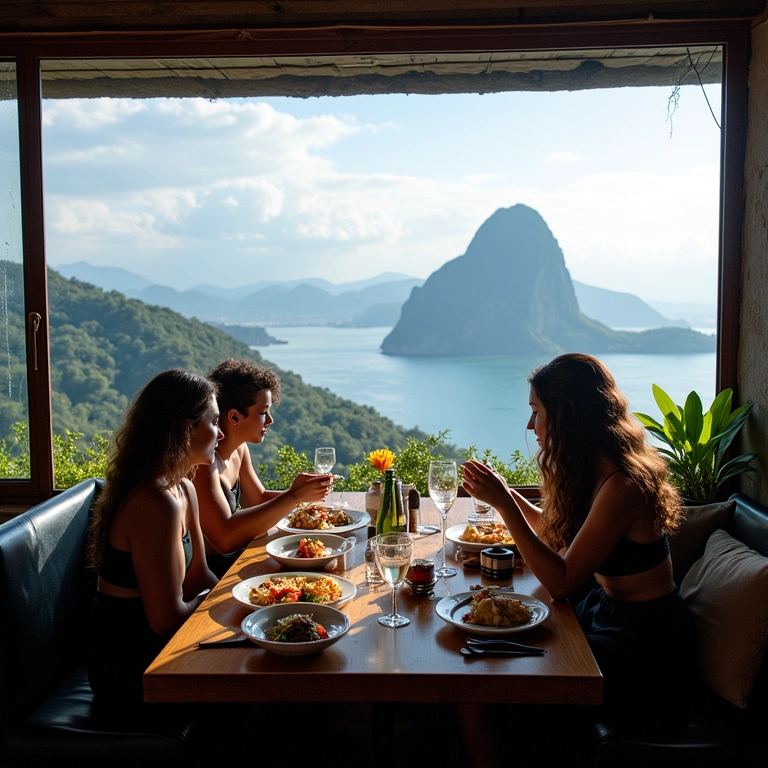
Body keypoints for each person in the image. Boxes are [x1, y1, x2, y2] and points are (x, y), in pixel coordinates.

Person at [462, 352, 692, 705]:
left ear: (566, 414)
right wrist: (506, 493)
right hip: (605, 611)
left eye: (536, 412)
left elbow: (562, 583)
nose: (530, 426)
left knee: (486, 682)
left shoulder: (624, 485)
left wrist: (505, 505)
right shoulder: (594, 471)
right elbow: (553, 533)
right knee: (484, 650)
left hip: (645, 640)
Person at [87, 369, 220, 705]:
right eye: (214, 422)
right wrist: (212, 602)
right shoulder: (154, 502)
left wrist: (243, 599)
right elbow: (165, 621)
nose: (220, 433)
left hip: (157, 647)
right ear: (187, 429)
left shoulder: (183, 488)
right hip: (131, 667)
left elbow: (199, 575)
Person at [194, 359, 332, 577]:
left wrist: (307, 498)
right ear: (234, 416)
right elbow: (225, 538)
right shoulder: (203, 464)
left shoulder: (239, 450)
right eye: (263, 412)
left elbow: (257, 499)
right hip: (215, 570)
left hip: (236, 557)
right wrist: (295, 496)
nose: (270, 420)